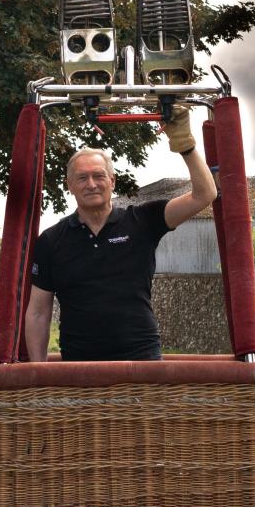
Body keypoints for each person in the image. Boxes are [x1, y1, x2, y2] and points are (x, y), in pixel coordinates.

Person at [25, 106, 218, 361]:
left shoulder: (143, 221)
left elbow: (205, 194)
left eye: (98, 176)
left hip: (142, 359)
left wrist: (185, 144)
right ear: (69, 185)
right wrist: (38, 374)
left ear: (112, 181)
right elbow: (38, 312)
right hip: (78, 366)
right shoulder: (51, 241)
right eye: (82, 178)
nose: (91, 184)